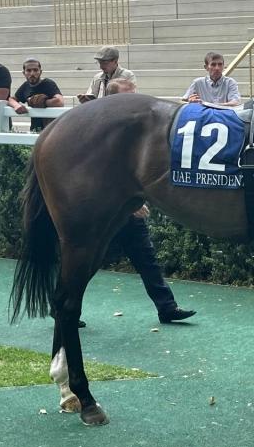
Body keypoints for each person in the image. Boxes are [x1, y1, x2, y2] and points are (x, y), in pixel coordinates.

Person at [71, 77, 196, 328]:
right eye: (128, 95)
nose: (135, 100)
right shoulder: (100, 135)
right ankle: (64, 308)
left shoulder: (133, 131)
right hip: (106, 214)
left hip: (128, 210)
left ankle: (167, 307)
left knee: (146, 258)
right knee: (87, 262)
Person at [10, 58, 64, 132]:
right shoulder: (25, 86)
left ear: (40, 72)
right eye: (28, 70)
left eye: (35, 70)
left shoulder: (48, 83)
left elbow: (60, 102)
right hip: (35, 129)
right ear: (24, 73)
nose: (32, 73)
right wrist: (16, 105)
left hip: (51, 129)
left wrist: (43, 102)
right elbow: (11, 99)